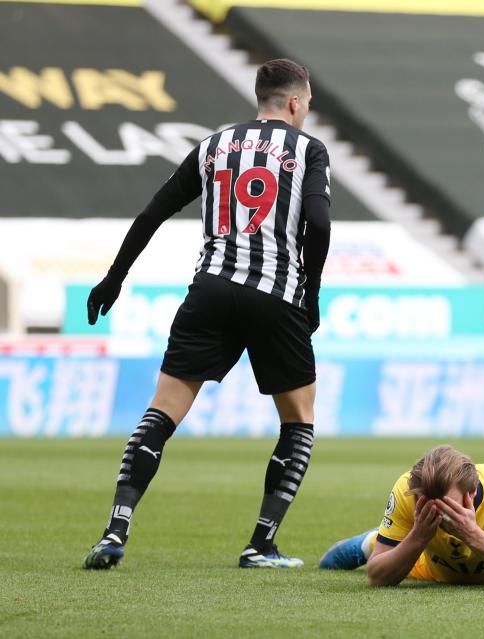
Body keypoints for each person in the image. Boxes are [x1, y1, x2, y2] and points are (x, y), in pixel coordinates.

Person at [81, 58, 332, 569]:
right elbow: (319, 223)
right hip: (275, 296)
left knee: (161, 411)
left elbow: (154, 210)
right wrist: (311, 292)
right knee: (298, 423)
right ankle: (260, 544)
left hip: (211, 290)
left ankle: (114, 531)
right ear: (294, 102)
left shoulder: (213, 146)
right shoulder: (309, 149)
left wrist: (115, 276)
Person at [318, 445, 484, 589]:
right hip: (431, 560)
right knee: (331, 562)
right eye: (427, 505)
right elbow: (376, 577)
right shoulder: (407, 489)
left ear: (471, 493)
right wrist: (417, 536)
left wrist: (472, 534)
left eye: (447, 507)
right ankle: (375, 538)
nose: (437, 514)